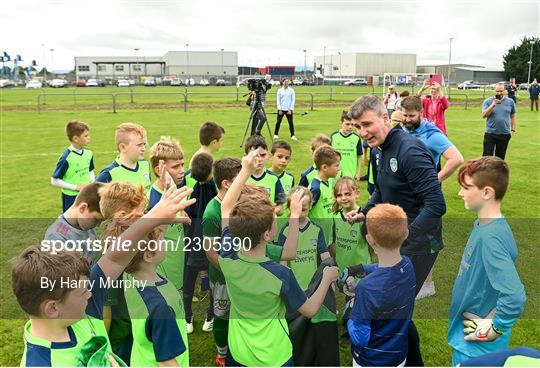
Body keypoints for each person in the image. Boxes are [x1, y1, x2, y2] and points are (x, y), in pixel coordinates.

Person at [12, 185, 195, 366]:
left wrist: (153, 218)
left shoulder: (76, 306)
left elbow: (114, 259)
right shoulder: (41, 363)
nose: (91, 293)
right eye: (84, 292)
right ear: (52, 308)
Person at [346, 95, 446, 366]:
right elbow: (381, 188)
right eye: (357, 127)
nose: (363, 132)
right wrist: (364, 211)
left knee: (394, 309)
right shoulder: (377, 150)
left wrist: (403, 238)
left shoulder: (410, 150)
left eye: (367, 124)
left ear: (386, 118)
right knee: (397, 311)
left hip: (419, 242)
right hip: (397, 241)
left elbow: (436, 204)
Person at [217, 148, 339, 366]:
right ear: (267, 233)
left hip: (238, 352)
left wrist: (245, 170)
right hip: (274, 356)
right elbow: (310, 310)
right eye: (274, 218)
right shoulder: (281, 274)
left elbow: (226, 206)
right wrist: (327, 278)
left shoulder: (227, 254)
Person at [449, 157, 526, 365]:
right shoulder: (485, 225)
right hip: (470, 338)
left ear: (486, 192)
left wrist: (493, 329)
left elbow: (515, 296)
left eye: (466, 187)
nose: (460, 193)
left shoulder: (491, 237)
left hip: (475, 348)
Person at [105, 214, 190, 366]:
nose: (164, 239)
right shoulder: (160, 307)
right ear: (149, 255)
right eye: (161, 240)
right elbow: (167, 363)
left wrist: (164, 217)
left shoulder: (130, 275)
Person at [400, 96, 464, 299]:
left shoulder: (432, 134)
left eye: (411, 116)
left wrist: (436, 179)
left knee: (427, 239)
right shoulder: (402, 129)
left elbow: (457, 158)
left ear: (421, 113)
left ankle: (428, 284)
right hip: (405, 196)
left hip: (425, 198)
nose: (407, 119)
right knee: (406, 236)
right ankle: (407, 277)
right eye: (405, 115)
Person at [347, 203, 416, 367]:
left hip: (370, 360)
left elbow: (360, 337)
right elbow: (387, 269)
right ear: (406, 234)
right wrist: (363, 268)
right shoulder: (407, 265)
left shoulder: (367, 287)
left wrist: (351, 309)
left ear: (370, 240)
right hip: (398, 356)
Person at [147, 136, 190, 291]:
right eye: (176, 167)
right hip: (163, 269)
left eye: (182, 165)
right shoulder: (154, 200)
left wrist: (182, 214)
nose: (182, 170)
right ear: (160, 169)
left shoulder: (174, 189)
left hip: (177, 261)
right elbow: (153, 239)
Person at [182, 153, 217, 334]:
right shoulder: (216, 188)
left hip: (193, 242)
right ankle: (209, 316)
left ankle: (189, 317)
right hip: (209, 243)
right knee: (213, 281)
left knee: (188, 281)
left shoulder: (193, 186)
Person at [51, 120, 95, 212]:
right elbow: (54, 181)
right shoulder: (66, 158)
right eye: (86, 136)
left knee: (88, 221)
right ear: (75, 139)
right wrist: (76, 187)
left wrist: (92, 183)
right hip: (71, 198)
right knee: (72, 224)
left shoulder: (89, 153)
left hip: (87, 194)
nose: (89, 138)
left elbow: (90, 171)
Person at [96, 122, 151, 192]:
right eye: (139, 145)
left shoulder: (145, 165)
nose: (143, 148)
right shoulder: (109, 174)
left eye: (144, 144)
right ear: (123, 147)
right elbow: (90, 200)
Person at [331, 177, 370, 271]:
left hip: (361, 271)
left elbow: (373, 249)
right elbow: (333, 244)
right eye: (339, 195)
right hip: (341, 270)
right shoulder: (334, 217)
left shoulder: (363, 217)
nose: (343, 198)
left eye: (347, 194)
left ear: (357, 193)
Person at [308, 146, 341, 246]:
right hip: (316, 241)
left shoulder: (328, 182)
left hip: (328, 236)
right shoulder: (315, 189)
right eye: (336, 165)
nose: (338, 169)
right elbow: (303, 213)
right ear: (325, 167)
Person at [244, 135, 285, 206]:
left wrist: (271, 209)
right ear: (245, 156)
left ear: (268, 156)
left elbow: (280, 206)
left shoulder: (274, 178)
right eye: (255, 155)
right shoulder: (239, 178)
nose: (259, 159)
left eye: (263, 155)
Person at [482, 83, 516, 160]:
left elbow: (513, 116)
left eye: (501, 91)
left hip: (504, 134)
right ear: (494, 91)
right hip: (490, 134)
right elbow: (484, 115)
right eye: (497, 91)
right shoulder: (488, 101)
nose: (499, 93)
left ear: (505, 91)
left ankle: (498, 172)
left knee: (500, 159)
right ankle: (486, 172)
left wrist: (513, 130)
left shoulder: (510, 102)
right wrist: (493, 105)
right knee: (486, 158)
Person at [331, 111, 363, 180]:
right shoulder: (334, 136)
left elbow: (359, 156)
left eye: (352, 124)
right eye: (347, 124)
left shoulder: (356, 138)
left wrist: (359, 172)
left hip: (350, 173)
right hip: (335, 173)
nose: (350, 127)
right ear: (341, 123)